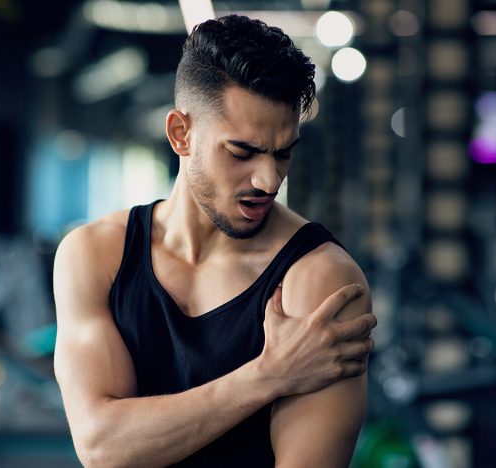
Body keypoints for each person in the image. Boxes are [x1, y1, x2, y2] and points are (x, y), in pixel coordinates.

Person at [53, 15, 377, 468]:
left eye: (283, 153)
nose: (268, 180)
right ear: (180, 134)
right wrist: (267, 376)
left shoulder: (320, 280)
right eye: (242, 152)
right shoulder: (94, 256)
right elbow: (102, 447)